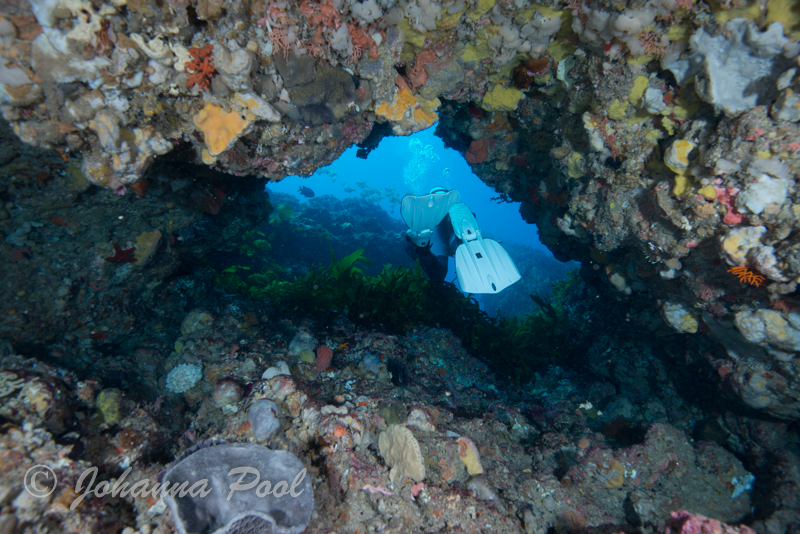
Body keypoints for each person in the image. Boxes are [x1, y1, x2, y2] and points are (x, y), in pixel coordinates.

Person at [401, 187, 521, 294]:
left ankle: (422, 246)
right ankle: (468, 235)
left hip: (435, 231)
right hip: (452, 224)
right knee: (460, 242)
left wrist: (418, 249)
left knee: (438, 274)